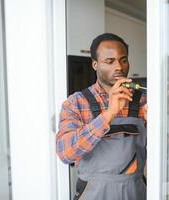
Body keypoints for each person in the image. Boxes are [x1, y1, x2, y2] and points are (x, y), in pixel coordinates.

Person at [56, 33, 147, 200]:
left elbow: (164, 153)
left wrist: (160, 125)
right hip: (94, 193)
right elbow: (66, 153)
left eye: (123, 60)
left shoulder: (142, 101)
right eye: (109, 61)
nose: (119, 66)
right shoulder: (76, 102)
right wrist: (109, 114)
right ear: (95, 64)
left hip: (135, 191)